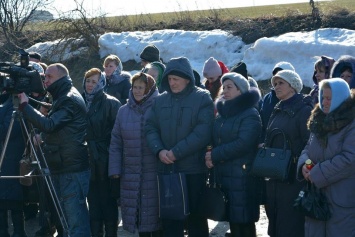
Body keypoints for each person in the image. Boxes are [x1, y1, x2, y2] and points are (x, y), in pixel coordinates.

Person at [17, 63, 91, 237]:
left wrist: (25, 106)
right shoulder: (61, 96)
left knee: (75, 223)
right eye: (44, 77)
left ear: (61, 77)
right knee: (68, 222)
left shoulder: (68, 98)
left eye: (49, 76)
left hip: (71, 169)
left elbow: (50, 125)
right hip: (64, 166)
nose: (45, 80)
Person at [145, 56, 214, 237]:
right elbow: (150, 127)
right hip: (167, 170)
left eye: (176, 79)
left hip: (192, 170)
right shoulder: (160, 101)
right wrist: (159, 150)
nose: (172, 83)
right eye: (169, 79)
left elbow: (202, 132)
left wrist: (176, 152)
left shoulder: (202, 98)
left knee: (196, 220)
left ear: (186, 78)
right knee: (170, 221)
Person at [205, 72, 262, 237]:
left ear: (241, 90)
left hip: (243, 175)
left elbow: (243, 143)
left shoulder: (250, 113)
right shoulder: (223, 114)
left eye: (229, 87)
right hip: (225, 173)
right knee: (233, 218)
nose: (225, 90)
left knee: (244, 220)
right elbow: (215, 138)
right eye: (224, 87)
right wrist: (209, 153)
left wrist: (215, 155)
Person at [297, 78, 355, 237]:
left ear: (340, 98)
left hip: (341, 200)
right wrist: (305, 165)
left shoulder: (352, 123)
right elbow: (308, 149)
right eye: (323, 97)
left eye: (329, 98)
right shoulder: (319, 119)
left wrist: (316, 173)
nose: (324, 102)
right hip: (316, 198)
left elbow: (350, 159)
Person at [109, 72, 162, 237]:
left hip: (154, 173)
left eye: (141, 87)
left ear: (149, 89)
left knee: (156, 219)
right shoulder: (123, 111)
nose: (137, 91)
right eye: (135, 87)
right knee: (138, 219)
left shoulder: (159, 108)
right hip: (130, 173)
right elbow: (116, 142)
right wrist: (115, 169)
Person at [264, 69, 313, 237]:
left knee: (290, 224)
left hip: (293, 178)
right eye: (275, 84)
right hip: (275, 175)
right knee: (276, 222)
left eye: (281, 83)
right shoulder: (278, 108)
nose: (276, 87)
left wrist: (299, 165)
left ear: (293, 86)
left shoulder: (304, 110)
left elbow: (309, 143)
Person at [82, 68, 121, 237]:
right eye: (88, 81)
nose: (90, 85)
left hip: (106, 158)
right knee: (93, 201)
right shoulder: (80, 101)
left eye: (94, 81)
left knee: (108, 201)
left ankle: (111, 233)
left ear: (102, 83)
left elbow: (118, 134)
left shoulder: (111, 103)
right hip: (87, 158)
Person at [0, 92, 27, 237]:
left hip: (12, 157)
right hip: (4, 157)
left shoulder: (13, 103)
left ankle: (19, 231)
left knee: (14, 198)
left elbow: (9, 130)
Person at [259, 61, 295, 142]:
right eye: (275, 76)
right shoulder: (267, 99)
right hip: (266, 147)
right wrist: (261, 142)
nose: (277, 79)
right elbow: (261, 124)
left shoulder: (298, 101)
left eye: (281, 80)